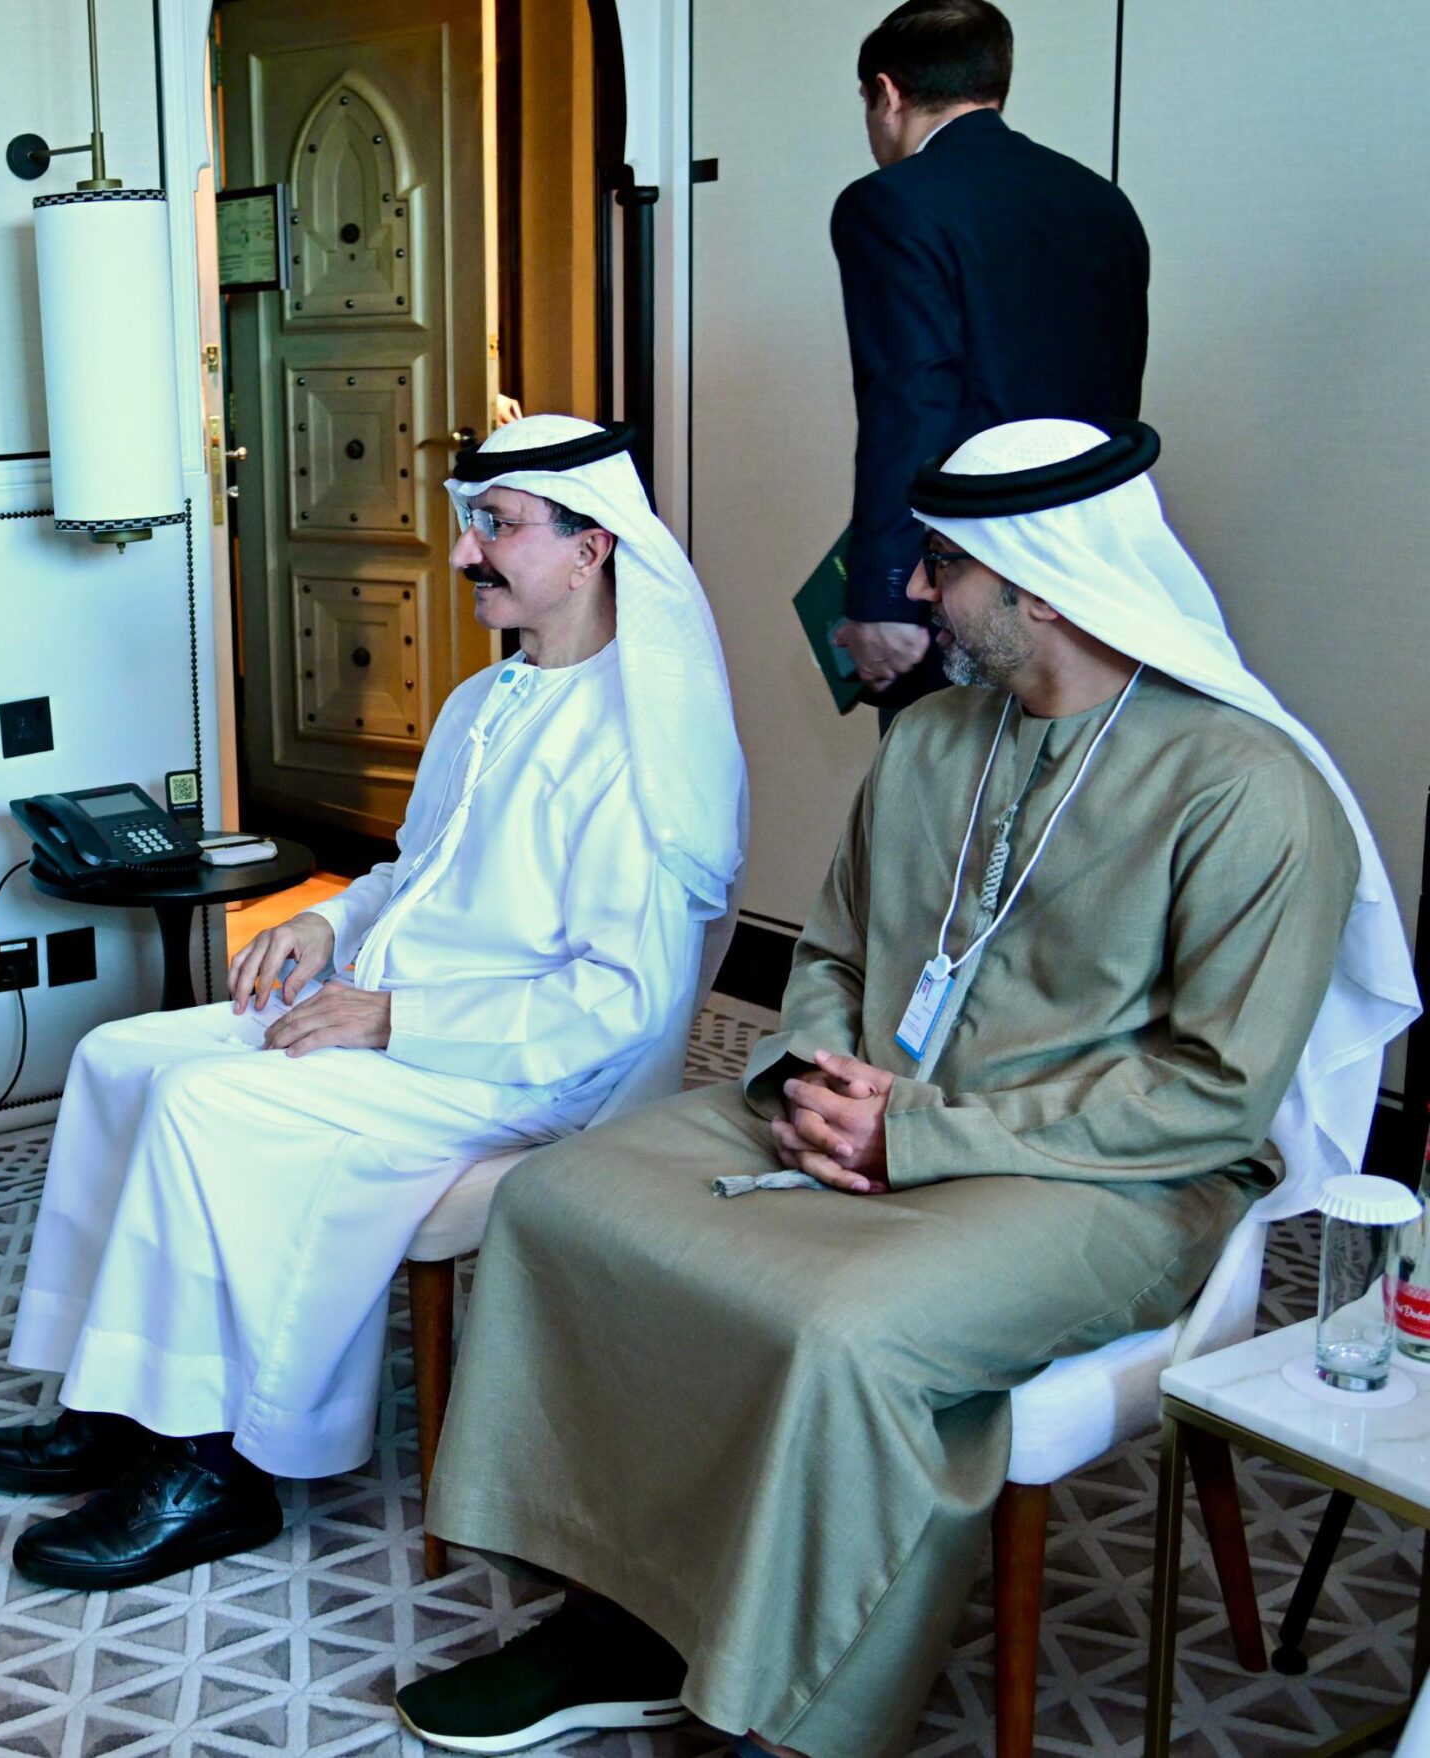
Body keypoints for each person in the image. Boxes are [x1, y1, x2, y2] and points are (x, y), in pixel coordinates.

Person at [395, 418, 1418, 1757]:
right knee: (561, 1202)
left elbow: (1210, 1094)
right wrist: (822, 1076)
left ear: (1039, 583)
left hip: (1109, 1176)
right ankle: (623, 1614)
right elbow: (827, 951)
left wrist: (916, 1133)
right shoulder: (934, 739)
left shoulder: (1250, 789)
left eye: (944, 563)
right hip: (865, 1103)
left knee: (842, 1328)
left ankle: (796, 1707)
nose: (918, 589)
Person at [0, 415, 748, 1590]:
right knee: (119, 1056)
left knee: (206, 1105)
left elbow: (615, 1006)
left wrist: (388, 1020)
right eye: (470, 524)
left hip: (524, 1069)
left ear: (590, 548)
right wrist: (329, 921)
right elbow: (416, 875)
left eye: (496, 527)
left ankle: (213, 1468)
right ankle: (117, 1401)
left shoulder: (639, 748)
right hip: (397, 1003)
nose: (467, 553)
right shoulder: (487, 701)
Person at [829, 0, 1149, 719]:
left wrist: (885, 590)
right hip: (1086, 571)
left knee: (946, 774)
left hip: (966, 569)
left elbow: (908, 401)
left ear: (887, 93)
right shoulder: (1103, 203)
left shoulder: (890, 204)